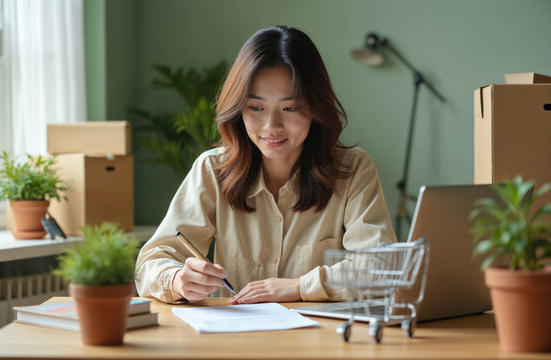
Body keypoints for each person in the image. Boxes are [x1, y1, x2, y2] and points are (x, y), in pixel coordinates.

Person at [135, 25, 396, 305]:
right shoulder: (213, 170)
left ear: (316, 108)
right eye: (256, 108)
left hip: (322, 343)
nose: (272, 126)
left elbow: (383, 267)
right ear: (238, 109)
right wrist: (177, 279)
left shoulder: (354, 169)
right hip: (237, 342)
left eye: (290, 108)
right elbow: (151, 263)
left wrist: (300, 287)